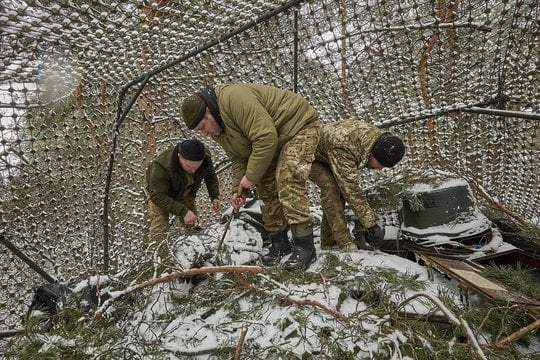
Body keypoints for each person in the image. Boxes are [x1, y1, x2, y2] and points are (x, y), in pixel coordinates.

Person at [181, 83, 320, 271]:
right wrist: (238, 188)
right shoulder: (217, 127)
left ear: (208, 111)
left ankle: (305, 246)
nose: (204, 134)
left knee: (287, 176)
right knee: (265, 185)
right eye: (199, 131)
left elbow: (265, 137)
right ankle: (279, 243)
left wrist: (251, 177)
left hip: (298, 127)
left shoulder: (234, 99)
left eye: (202, 126)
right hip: (275, 141)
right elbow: (238, 157)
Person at [308, 120, 405, 251]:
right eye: (380, 163)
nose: (380, 169)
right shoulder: (346, 147)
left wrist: (370, 223)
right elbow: (351, 190)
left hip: (328, 153)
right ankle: (343, 242)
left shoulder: (373, 140)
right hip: (307, 153)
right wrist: (371, 225)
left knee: (340, 190)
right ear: (374, 153)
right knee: (331, 187)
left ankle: (329, 242)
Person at [145, 139, 221, 260]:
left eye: (197, 167)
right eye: (189, 167)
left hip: (184, 190)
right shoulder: (161, 166)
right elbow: (157, 196)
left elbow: (210, 175)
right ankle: (157, 260)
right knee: (160, 226)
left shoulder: (205, 156)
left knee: (193, 224)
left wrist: (214, 196)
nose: (193, 171)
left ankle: (197, 252)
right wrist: (183, 211)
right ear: (179, 157)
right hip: (160, 194)